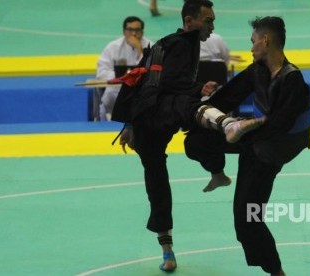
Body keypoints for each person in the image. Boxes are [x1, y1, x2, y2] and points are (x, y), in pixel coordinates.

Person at [113, 0, 264, 272]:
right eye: (208, 20)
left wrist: (129, 122)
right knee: (190, 108)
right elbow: (155, 81)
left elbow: (146, 78)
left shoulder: (172, 43)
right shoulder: (182, 43)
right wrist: (132, 124)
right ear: (189, 21)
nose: (212, 25)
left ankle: (217, 172)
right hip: (152, 118)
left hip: (150, 115)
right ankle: (228, 125)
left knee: (181, 148)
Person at [184, 16, 310, 275]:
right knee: (195, 141)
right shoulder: (257, 70)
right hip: (252, 139)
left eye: (253, 42)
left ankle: (277, 272)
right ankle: (218, 174)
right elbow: (226, 97)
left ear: (266, 41)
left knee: (248, 219)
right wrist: (195, 113)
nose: (251, 47)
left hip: (273, 151)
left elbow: (279, 127)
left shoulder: (293, 81)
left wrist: (239, 130)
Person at [96, 16, 153, 121]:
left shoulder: (151, 46)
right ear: (124, 32)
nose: (134, 34)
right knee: (106, 99)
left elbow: (152, 71)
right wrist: (123, 77)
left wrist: (140, 50)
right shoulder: (112, 47)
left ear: (142, 32)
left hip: (141, 89)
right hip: (117, 88)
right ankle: (102, 128)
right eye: (130, 30)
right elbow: (101, 71)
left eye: (137, 30)